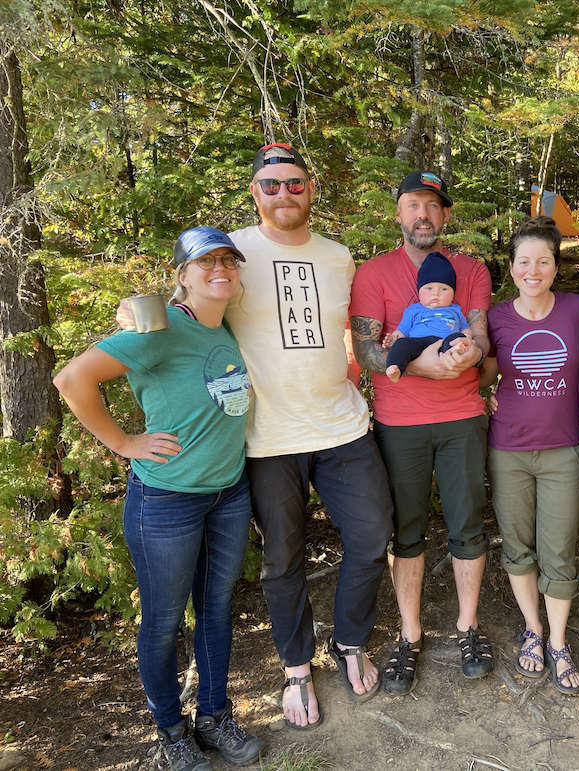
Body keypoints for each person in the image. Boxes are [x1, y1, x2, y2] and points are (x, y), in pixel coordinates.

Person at [118, 144, 394, 727]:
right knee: (282, 558)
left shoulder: (340, 257)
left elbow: (346, 326)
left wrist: (346, 362)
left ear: (311, 189)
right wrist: (134, 314)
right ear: (254, 192)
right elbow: (187, 300)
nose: (284, 194)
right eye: (271, 185)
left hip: (343, 425)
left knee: (371, 539)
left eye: (295, 183)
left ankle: (349, 642)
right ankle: (297, 666)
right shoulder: (234, 251)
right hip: (267, 437)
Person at [55, 228, 265, 770]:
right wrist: (124, 443)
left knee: (217, 609)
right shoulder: (161, 328)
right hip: (167, 500)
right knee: (165, 620)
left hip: (229, 493)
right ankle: (171, 732)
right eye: (205, 262)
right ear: (182, 275)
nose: (220, 269)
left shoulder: (229, 328)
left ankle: (214, 718)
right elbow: (73, 378)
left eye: (228, 261)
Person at [350, 170, 494, 696]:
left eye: (432, 205)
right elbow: (367, 351)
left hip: (460, 418)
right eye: (413, 204)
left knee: (467, 525)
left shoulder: (471, 269)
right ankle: (409, 634)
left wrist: (465, 354)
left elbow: (479, 336)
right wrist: (416, 366)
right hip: (398, 423)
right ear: (399, 213)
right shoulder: (373, 274)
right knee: (405, 531)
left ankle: (467, 627)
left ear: (445, 215)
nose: (423, 215)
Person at [479, 216, 579, 694]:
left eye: (543, 261)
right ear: (511, 268)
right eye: (524, 261)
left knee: (559, 550)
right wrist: (484, 393)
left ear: (555, 266)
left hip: (563, 450)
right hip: (507, 449)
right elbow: (484, 374)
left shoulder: (578, 311)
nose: (533, 269)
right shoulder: (496, 317)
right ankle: (533, 629)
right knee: (517, 546)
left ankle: (559, 642)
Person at [384, 251, 472, 383]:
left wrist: (467, 338)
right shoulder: (413, 310)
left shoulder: (455, 310)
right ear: (419, 292)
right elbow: (402, 331)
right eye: (429, 288)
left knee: (455, 339)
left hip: (445, 343)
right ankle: (395, 368)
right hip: (419, 343)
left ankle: (455, 353)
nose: (436, 293)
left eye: (444, 289)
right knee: (402, 344)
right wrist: (394, 340)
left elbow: (465, 328)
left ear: (453, 293)